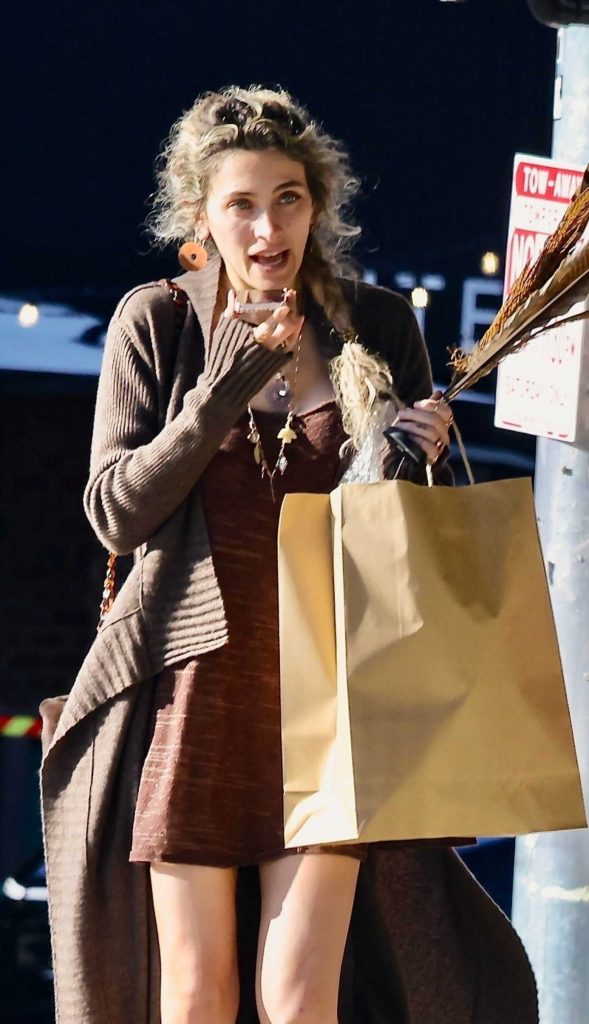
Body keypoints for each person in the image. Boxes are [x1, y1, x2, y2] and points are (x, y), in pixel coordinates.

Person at [40, 85, 538, 1024]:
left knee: (301, 997)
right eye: (241, 203)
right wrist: (221, 393)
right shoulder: (159, 324)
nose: (267, 225)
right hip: (195, 695)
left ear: (319, 206)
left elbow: (405, 548)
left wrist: (409, 455)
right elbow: (114, 512)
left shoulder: (376, 326)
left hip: (338, 701)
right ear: (199, 216)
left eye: (289, 199)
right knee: (194, 998)